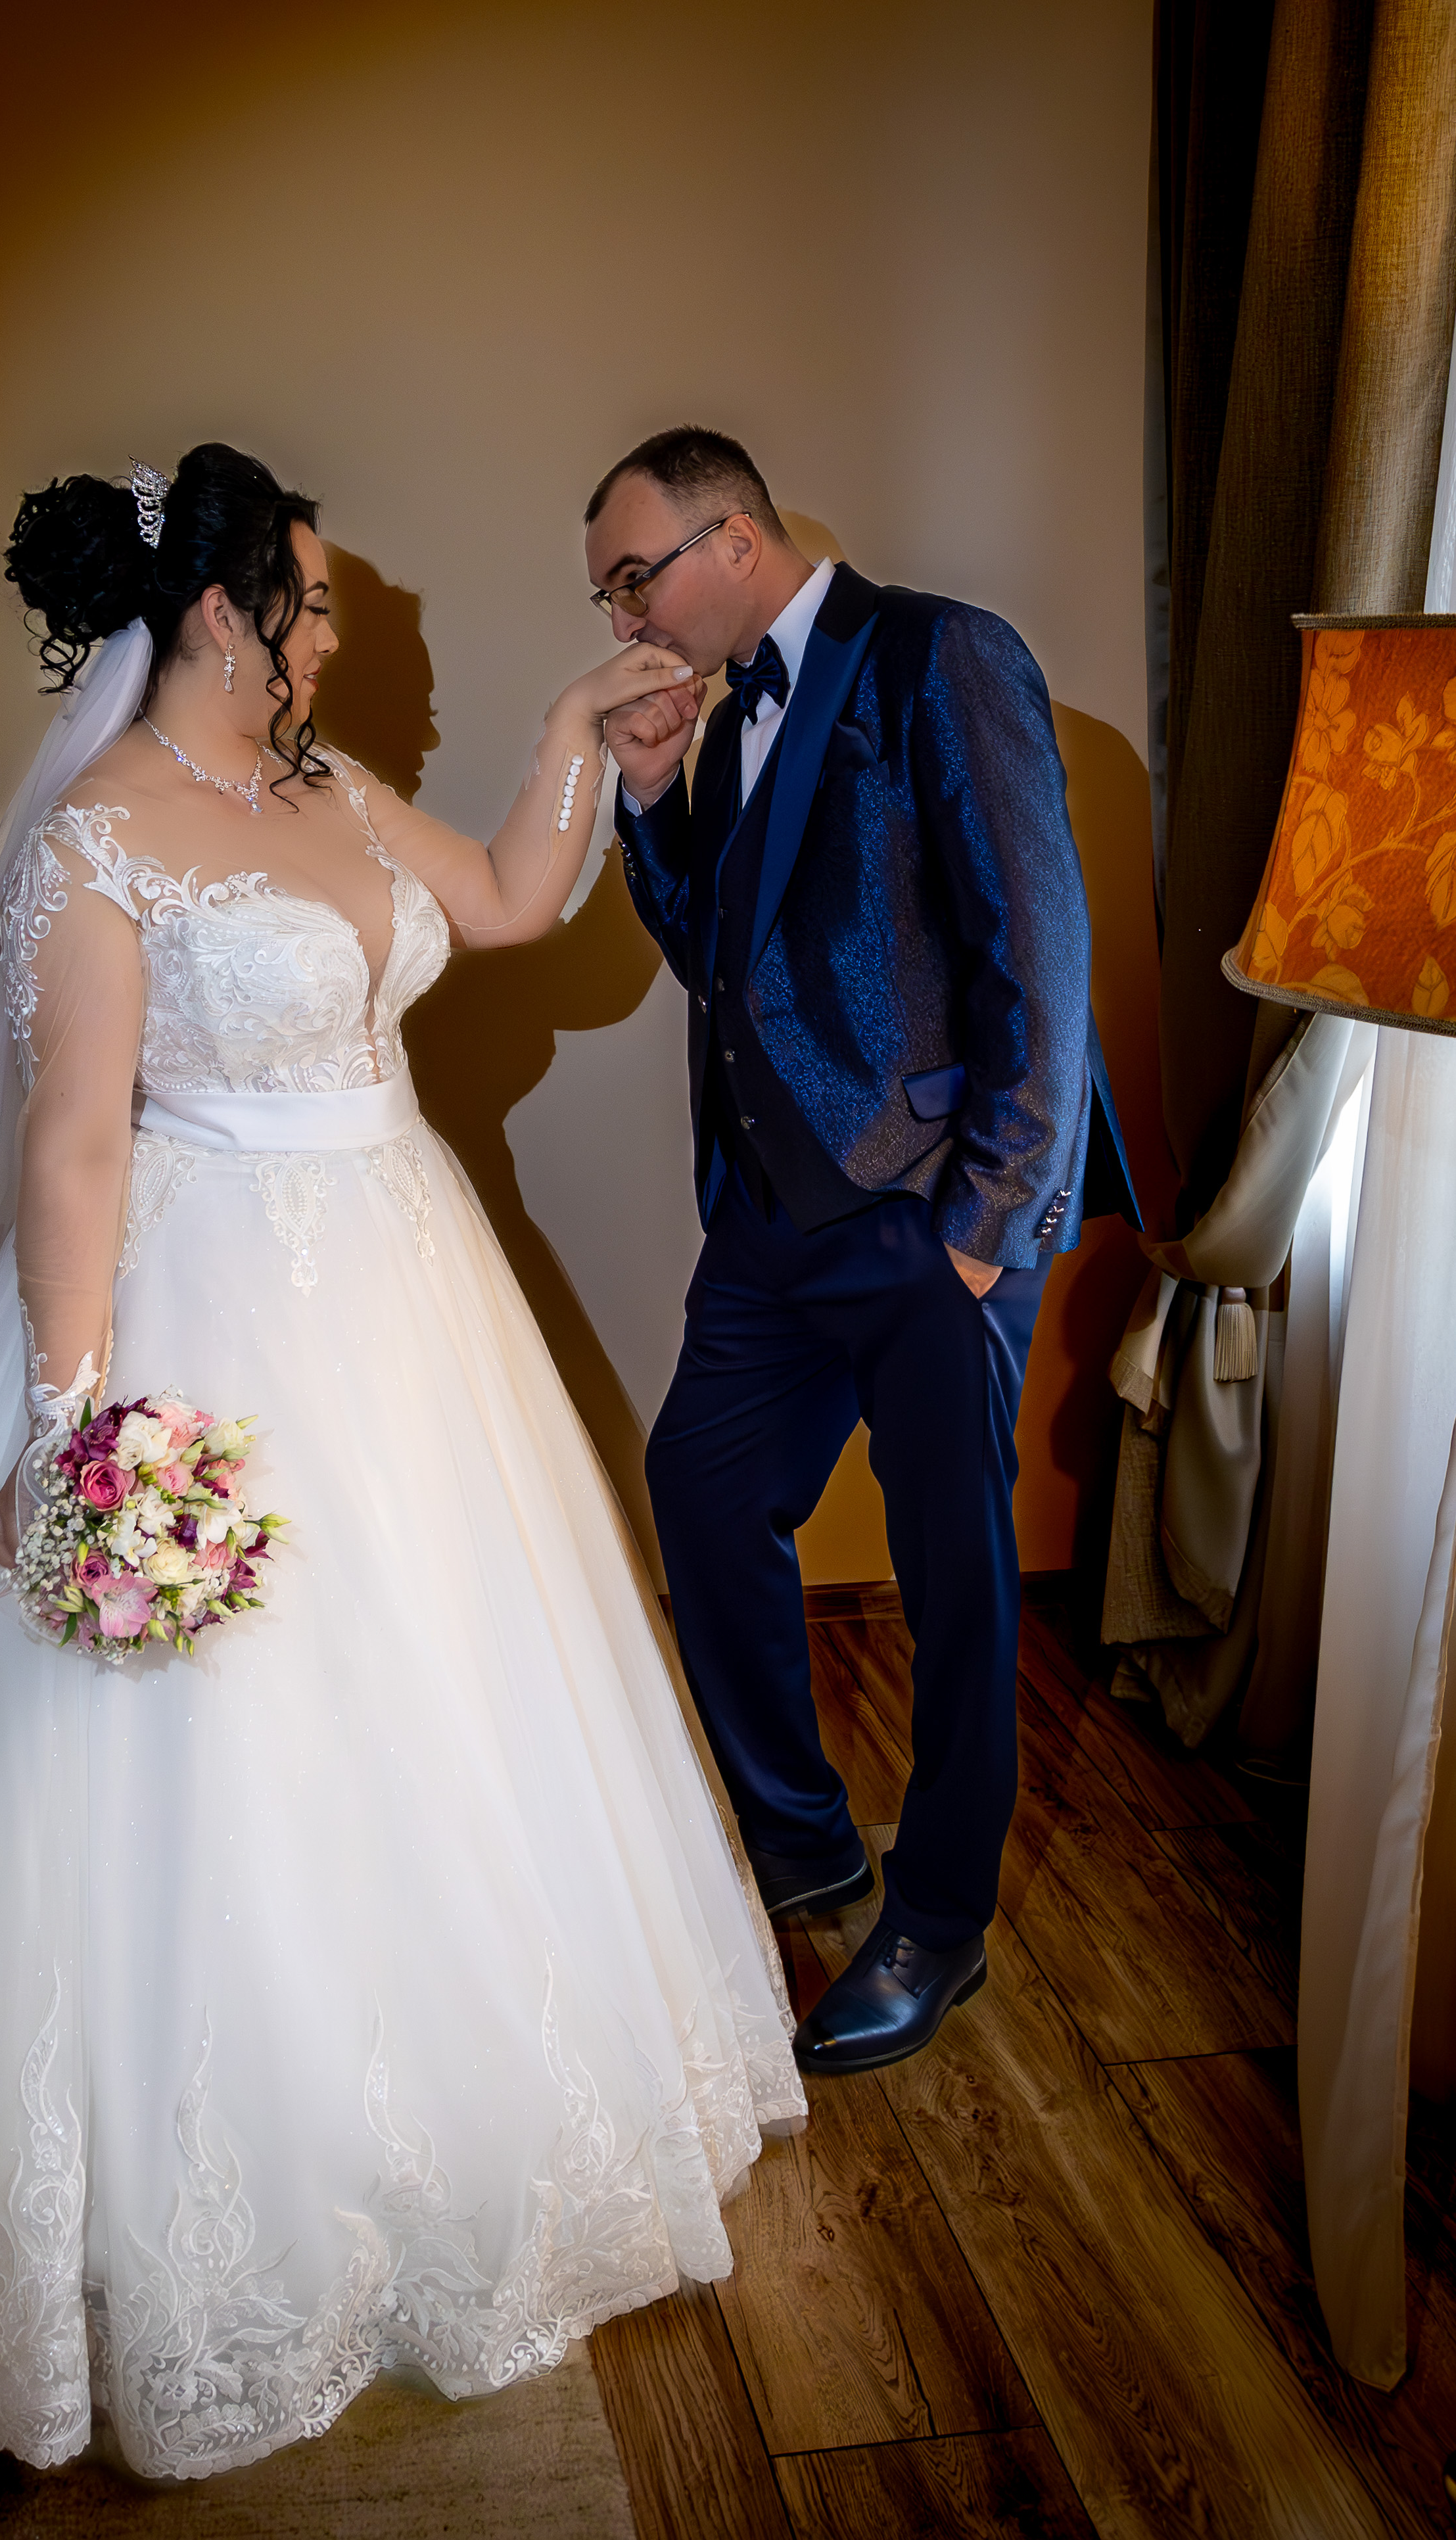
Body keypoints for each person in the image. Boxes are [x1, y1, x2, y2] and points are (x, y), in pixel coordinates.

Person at [0, 442, 806, 2480]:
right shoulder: (98, 837)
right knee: (201, 1753)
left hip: (407, 1296)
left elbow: (511, 900)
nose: (335, 636)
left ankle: (472, 2130)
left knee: (451, 1704)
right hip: (205, 1306)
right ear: (219, 608)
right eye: (317, 601)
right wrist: (73, 1421)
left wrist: (574, 736)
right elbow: (76, 1140)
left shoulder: (324, 787)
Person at [592, 426, 1137, 2079]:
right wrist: (648, 796)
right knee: (699, 1492)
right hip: (770, 1218)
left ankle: (939, 1920)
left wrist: (984, 1232)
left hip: (927, 1218)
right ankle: (804, 1843)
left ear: (732, 539)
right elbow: (714, 954)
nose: (624, 618)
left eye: (634, 578)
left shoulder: (939, 653)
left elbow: (1038, 946)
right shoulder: (724, 712)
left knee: (953, 1580)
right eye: (607, 594)